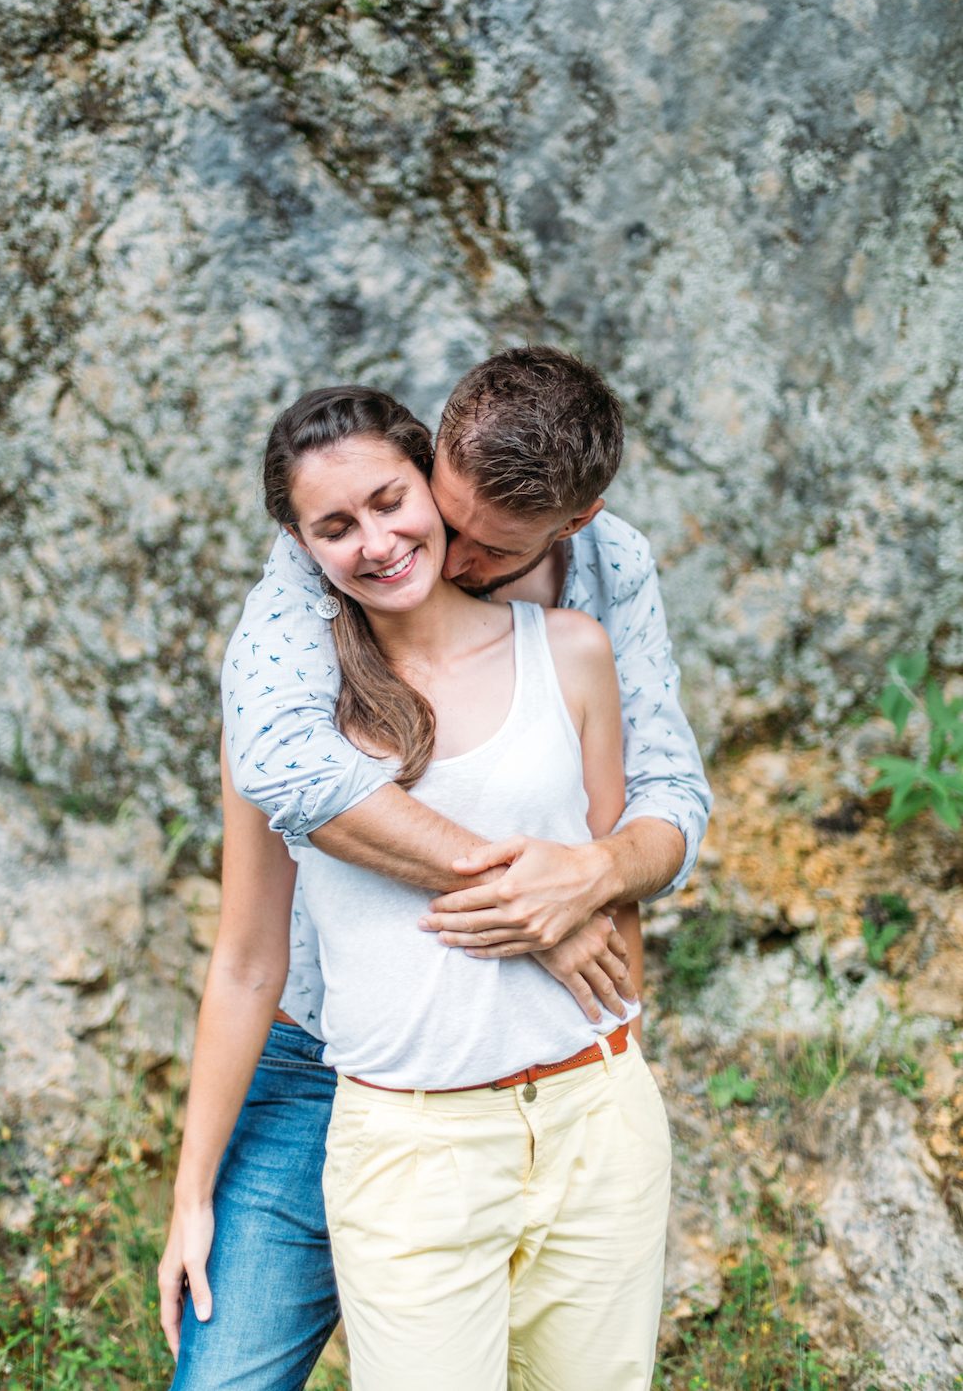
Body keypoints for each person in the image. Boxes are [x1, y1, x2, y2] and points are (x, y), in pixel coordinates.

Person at [161, 346, 711, 1387]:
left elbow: (659, 807)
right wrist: (522, 888)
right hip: (337, 1063)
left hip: (564, 1092)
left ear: (570, 527)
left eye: (482, 548)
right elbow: (268, 857)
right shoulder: (310, 618)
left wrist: (589, 881)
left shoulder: (586, 616)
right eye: (438, 514)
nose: (433, 556)